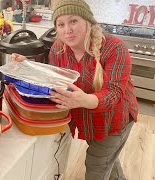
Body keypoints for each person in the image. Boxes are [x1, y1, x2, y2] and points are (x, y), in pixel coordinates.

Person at [11, 0, 139, 179]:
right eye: (61, 24)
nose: (67, 30)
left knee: (97, 167)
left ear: (88, 21)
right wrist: (28, 66)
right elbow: (54, 76)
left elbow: (113, 93)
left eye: (73, 21)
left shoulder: (114, 48)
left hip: (114, 120)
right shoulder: (58, 49)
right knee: (107, 159)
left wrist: (83, 100)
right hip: (88, 117)